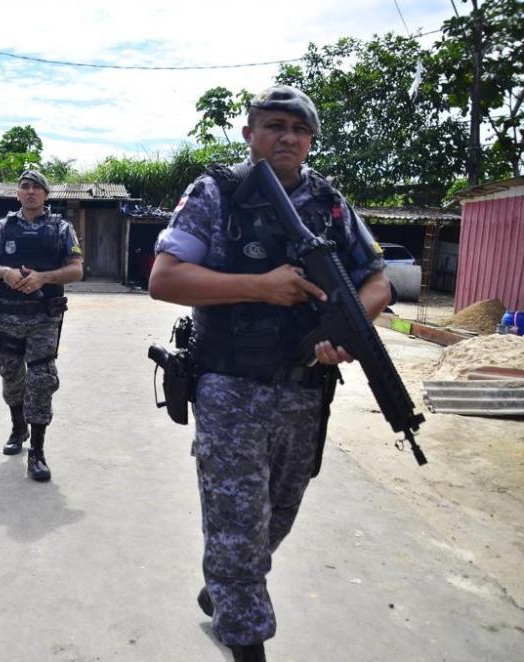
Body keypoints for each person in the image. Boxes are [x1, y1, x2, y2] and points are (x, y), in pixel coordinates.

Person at [148, 86, 391, 662]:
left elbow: (376, 278)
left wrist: (343, 325)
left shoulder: (330, 203)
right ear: (249, 133)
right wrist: (260, 286)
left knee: (277, 513)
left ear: (310, 140)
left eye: (299, 129)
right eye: (274, 125)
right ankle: (245, 634)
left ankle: (227, 587)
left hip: (306, 388)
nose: (287, 137)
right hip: (231, 386)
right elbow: (165, 278)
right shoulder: (217, 193)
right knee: (236, 523)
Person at [0, 170, 83, 482]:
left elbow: (77, 269)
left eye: (37, 187)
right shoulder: (2, 226)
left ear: (46, 195)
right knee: (11, 377)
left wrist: (44, 277)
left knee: (40, 380)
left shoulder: (61, 228)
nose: (31, 191)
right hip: (8, 315)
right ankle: (18, 427)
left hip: (44, 318)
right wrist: (5, 273)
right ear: (18, 194)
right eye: (25, 187)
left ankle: (37, 451)